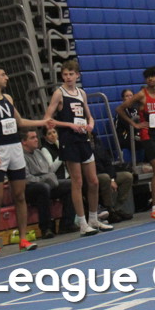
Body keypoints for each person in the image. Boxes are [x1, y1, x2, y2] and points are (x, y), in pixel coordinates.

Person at [0, 64, 49, 256]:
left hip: (15, 148)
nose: (6, 77)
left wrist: (42, 122)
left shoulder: (8, 98)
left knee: (20, 195)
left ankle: (23, 238)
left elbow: (20, 122)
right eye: (3, 74)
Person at [45, 60, 113, 236]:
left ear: (77, 75)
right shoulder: (59, 94)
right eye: (65, 74)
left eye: (71, 74)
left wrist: (90, 124)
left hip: (83, 139)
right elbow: (48, 119)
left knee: (94, 181)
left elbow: (89, 116)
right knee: (78, 182)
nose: (68, 77)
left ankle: (93, 218)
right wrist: (69, 125)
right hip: (69, 140)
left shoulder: (81, 93)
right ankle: (82, 222)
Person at [118, 68, 155, 220]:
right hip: (147, 135)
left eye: (153, 76)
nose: (150, 79)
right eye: (148, 77)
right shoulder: (141, 95)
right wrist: (134, 124)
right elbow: (120, 109)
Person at [21, 128, 74, 239]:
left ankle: (67, 224)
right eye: (32, 138)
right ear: (24, 142)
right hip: (29, 188)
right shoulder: (20, 156)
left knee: (70, 184)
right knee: (43, 188)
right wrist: (44, 180)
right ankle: (46, 228)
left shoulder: (39, 152)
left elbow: (49, 170)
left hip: (46, 183)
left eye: (36, 137)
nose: (36, 140)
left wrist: (49, 179)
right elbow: (26, 178)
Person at [91, 134, 134, 223]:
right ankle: (109, 209)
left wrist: (112, 179)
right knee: (105, 178)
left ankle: (117, 208)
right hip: (93, 176)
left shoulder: (97, 141)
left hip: (105, 174)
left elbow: (108, 162)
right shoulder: (81, 144)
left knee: (127, 176)